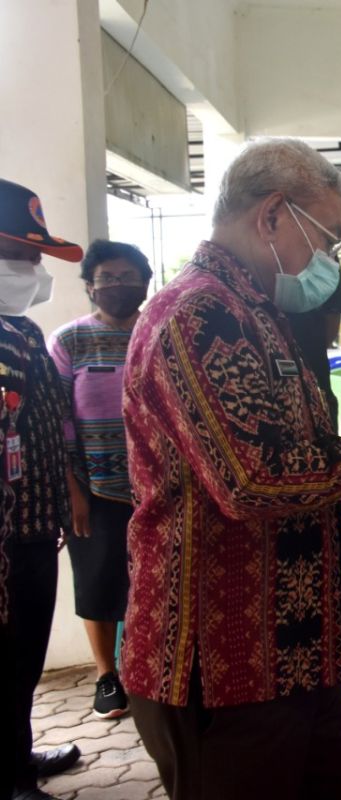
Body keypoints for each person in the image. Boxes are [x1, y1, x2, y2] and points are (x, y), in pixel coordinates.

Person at [121, 139, 341, 800]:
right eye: (328, 238)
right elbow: (252, 480)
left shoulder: (257, 314)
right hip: (223, 670)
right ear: (272, 215)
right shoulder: (198, 316)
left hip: (296, 660)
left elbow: (295, 453)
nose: (329, 261)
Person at [0, 178, 82, 800]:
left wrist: (64, 499)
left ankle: (19, 755)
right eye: (21, 256)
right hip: (4, 538)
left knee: (23, 654)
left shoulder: (21, 330)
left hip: (32, 527)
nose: (33, 269)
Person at [48, 240, 152, 721]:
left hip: (160, 487)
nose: (117, 286)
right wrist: (72, 490)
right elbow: (57, 420)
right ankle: (106, 676)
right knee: (97, 580)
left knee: (152, 580)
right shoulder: (68, 341)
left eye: (128, 276)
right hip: (96, 488)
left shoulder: (160, 334)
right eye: (106, 278)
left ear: (146, 282)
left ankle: (146, 668)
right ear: (89, 285)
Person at [285, 257, 341, 419]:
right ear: (269, 229)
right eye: (328, 241)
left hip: (317, 384)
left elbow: (332, 319)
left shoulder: (327, 262)